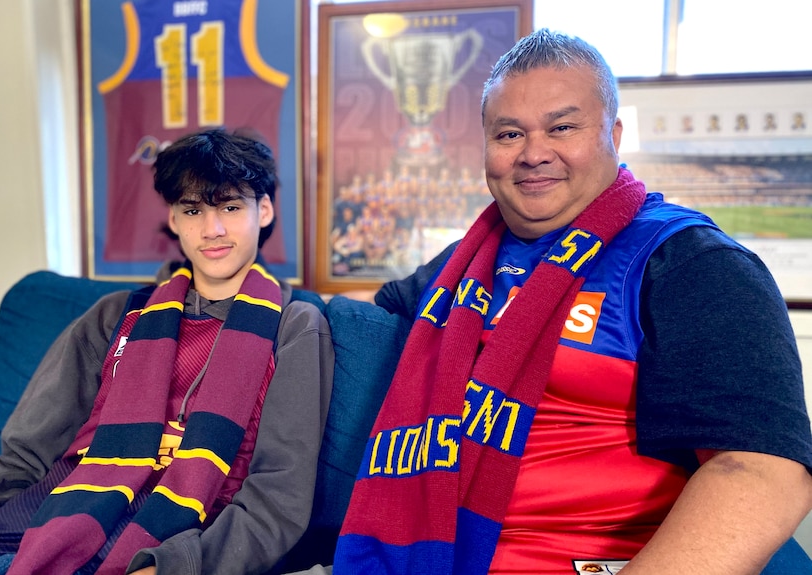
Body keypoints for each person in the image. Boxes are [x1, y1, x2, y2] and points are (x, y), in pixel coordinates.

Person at [314, 29, 812, 574]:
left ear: (614, 134)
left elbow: (760, 473)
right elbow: (364, 317)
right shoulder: (463, 264)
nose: (533, 154)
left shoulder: (691, 264)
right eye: (509, 134)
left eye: (562, 127)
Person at [0, 128, 334, 574]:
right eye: (193, 210)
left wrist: (171, 567)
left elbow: (277, 501)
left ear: (263, 210)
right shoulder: (117, 314)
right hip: (29, 528)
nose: (212, 229)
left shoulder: (295, 326)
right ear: (173, 218)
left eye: (230, 207)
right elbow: (23, 457)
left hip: (157, 546)